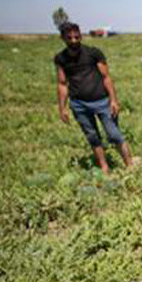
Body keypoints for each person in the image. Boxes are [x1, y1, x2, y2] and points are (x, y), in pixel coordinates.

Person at [54, 22, 133, 173]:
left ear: (81, 35)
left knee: (114, 135)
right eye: (69, 38)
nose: (74, 41)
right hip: (79, 104)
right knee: (93, 137)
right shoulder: (61, 59)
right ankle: (104, 167)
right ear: (62, 38)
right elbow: (62, 84)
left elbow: (106, 78)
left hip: (102, 102)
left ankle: (130, 165)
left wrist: (113, 100)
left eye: (77, 37)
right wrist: (62, 107)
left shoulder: (93, 53)